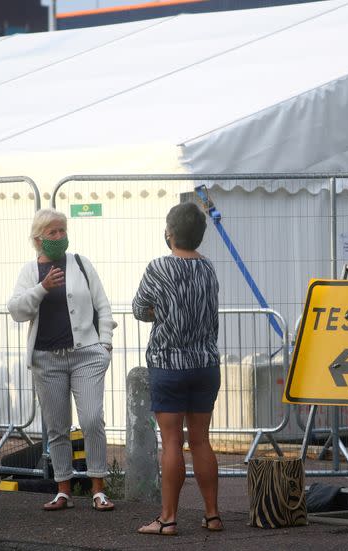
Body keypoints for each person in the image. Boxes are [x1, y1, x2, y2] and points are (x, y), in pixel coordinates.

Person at [7, 208, 116, 512]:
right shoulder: (30, 271)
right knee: (57, 426)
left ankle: (98, 487)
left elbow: (103, 306)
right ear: (38, 238)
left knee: (92, 418)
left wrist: (104, 343)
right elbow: (17, 310)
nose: (59, 237)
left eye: (62, 230)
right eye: (52, 232)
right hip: (46, 359)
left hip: (87, 356)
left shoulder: (81, 264)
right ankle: (63, 489)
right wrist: (43, 288)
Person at [133, 202, 222, 536]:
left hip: (169, 364)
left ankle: (168, 519)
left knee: (172, 442)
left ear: (169, 233)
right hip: (205, 363)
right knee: (201, 441)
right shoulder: (209, 268)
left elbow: (140, 308)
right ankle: (213, 515)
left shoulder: (158, 267)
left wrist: (163, 312)